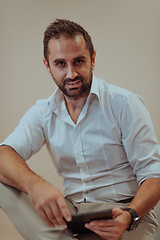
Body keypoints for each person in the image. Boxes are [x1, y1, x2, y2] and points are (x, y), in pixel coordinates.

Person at [0, 19, 160, 240]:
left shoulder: (124, 103)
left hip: (123, 213)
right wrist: (34, 185)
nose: (71, 74)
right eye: (60, 64)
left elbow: (154, 175)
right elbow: (4, 154)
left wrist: (130, 215)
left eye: (78, 61)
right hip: (72, 214)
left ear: (92, 59)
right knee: (4, 182)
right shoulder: (43, 111)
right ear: (47, 66)